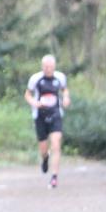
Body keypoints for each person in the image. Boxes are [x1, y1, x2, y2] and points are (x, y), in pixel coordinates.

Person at [24, 54, 71, 188]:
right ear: (42, 66)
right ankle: (45, 158)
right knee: (44, 149)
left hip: (56, 114)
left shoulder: (60, 77)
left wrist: (66, 98)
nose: (48, 69)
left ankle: (54, 177)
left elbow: (65, 90)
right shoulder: (35, 79)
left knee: (56, 144)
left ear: (54, 66)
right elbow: (27, 94)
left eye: (50, 67)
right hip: (40, 116)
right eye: (45, 67)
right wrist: (34, 102)